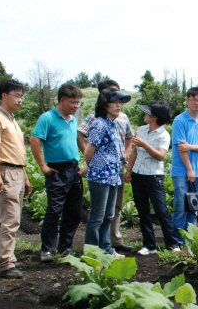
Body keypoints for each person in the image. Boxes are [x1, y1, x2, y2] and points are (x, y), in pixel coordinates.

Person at [30, 83, 86, 262]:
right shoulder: (47, 118)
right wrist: (42, 166)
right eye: (73, 102)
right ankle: (47, 249)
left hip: (74, 169)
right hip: (57, 170)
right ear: (62, 100)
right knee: (54, 210)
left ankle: (65, 247)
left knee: (74, 211)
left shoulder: (73, 120)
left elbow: (78, 142)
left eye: (78, 102)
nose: (76, 106)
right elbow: (35, 140)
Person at [78, 79, 133, 253]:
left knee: (109, 215)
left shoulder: (113, 123)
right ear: (105, 104)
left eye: (120, 103)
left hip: (113, 175)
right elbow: (89, 151)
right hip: (101, 177)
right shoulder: (99, 124)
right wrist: (96, 167)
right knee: (97, 216)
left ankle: (107, 250)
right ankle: (92, 251)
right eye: (115, 102)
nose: (119, 105)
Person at [0, 77, 32, 278]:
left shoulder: (11, 120)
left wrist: (25, 176)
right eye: (17, 95)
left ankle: (1, 257)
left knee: (7, 219)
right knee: (10, 220)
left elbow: (17, 151)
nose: (20, 99)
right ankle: (6, 263)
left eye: (22, 95)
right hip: (6, 171)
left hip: (17, 171)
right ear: (4, 95)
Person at [125, 103, 180, 255]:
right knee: (143, 211)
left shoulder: (164, 135)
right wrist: (129, 171)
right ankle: (149, 245)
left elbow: (160, 156)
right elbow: (135, 152)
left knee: (161, 211)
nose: (145, 115)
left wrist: (145, 144)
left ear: (155, 117)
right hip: (138, 174)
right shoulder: (142, 129)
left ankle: (172, 244)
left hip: (154, 176)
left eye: (148, 113)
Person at [170, 87, 198, 243]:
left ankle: (190, 240)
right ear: (187, 101)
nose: (196, 103)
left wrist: (190, 147)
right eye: (193, 99)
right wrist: (189, 169)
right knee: (181, 206)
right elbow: (181, 148)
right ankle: (177, 240)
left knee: (194, 207)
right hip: (182, 171)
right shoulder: (180, 120)